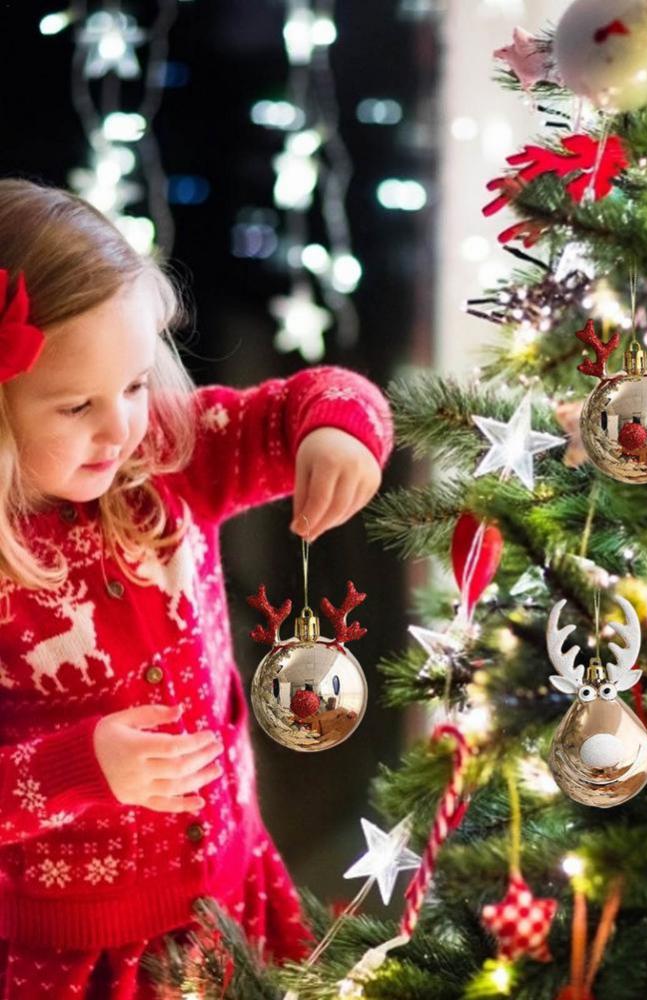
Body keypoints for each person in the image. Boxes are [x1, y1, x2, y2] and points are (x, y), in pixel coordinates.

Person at [0, 179, 394, 998]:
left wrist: (339, 433)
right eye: (75, 406)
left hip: (229, 894)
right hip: (72, 956)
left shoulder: (169, 456)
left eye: (135, 385)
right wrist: (80, 768)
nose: (120, 429)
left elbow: (311, 400)